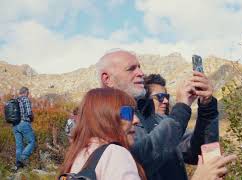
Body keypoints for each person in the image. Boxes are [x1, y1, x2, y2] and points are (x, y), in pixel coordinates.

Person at [96, 49, 232, 179]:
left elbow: (196, 151)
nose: (141, 73)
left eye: (139, 67)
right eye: (131, 69)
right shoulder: (97, 123)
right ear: (107, 79)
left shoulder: (156, 118)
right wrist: (182, 107)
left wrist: (207, 106)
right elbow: (140, 160)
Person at [60, 88, 146, 180]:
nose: (136, 120)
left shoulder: (77, 155)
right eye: (128, 113)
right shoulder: (115, 154)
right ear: (106, 118)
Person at [13, 86, 36, 170]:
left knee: (19, 146)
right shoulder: (25, 99)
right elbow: (29, 113)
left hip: (15, 126)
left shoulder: (15, 100)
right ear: (26, 92)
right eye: (28, 93)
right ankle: (22, 158)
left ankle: (18, 167)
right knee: (32, 141)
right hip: (23, 123)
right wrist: (32, 118)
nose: (28, 94)